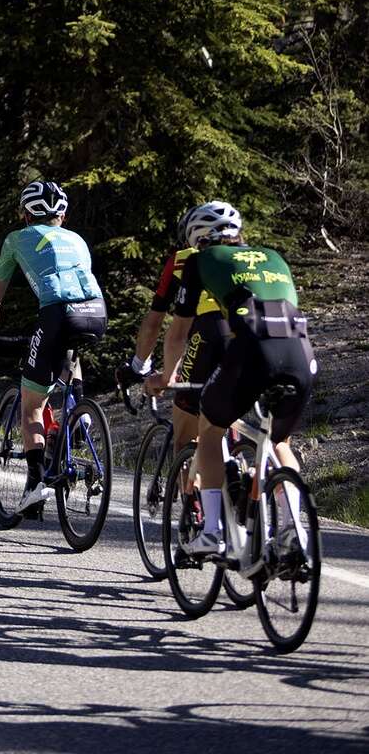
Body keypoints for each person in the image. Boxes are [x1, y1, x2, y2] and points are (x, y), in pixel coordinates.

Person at [147, 201, 317, 556]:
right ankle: (293, 528)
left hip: (253, 350)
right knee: (279, 441)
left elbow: (178, 333)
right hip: (301, 354)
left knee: (210, 430)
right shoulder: (274, 257)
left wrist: (165, 376)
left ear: (197, 237)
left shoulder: (199, 261)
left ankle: (211, 531)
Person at [0, 179, 107, 513]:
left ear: (25, 214)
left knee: (31, 405)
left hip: (58, 312)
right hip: (96, 311)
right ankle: (79, 411)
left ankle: (35, 485)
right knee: (70, 351)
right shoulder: (77, 238)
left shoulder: (16, 239)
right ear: (61, 216)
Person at [124, 211, 230, 456]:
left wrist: (140, 365)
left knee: (185, 439)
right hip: (250, 335)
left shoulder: (183, 259)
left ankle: (188, 494)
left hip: (205, 335)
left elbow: (154, 323)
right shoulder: (247, 258)